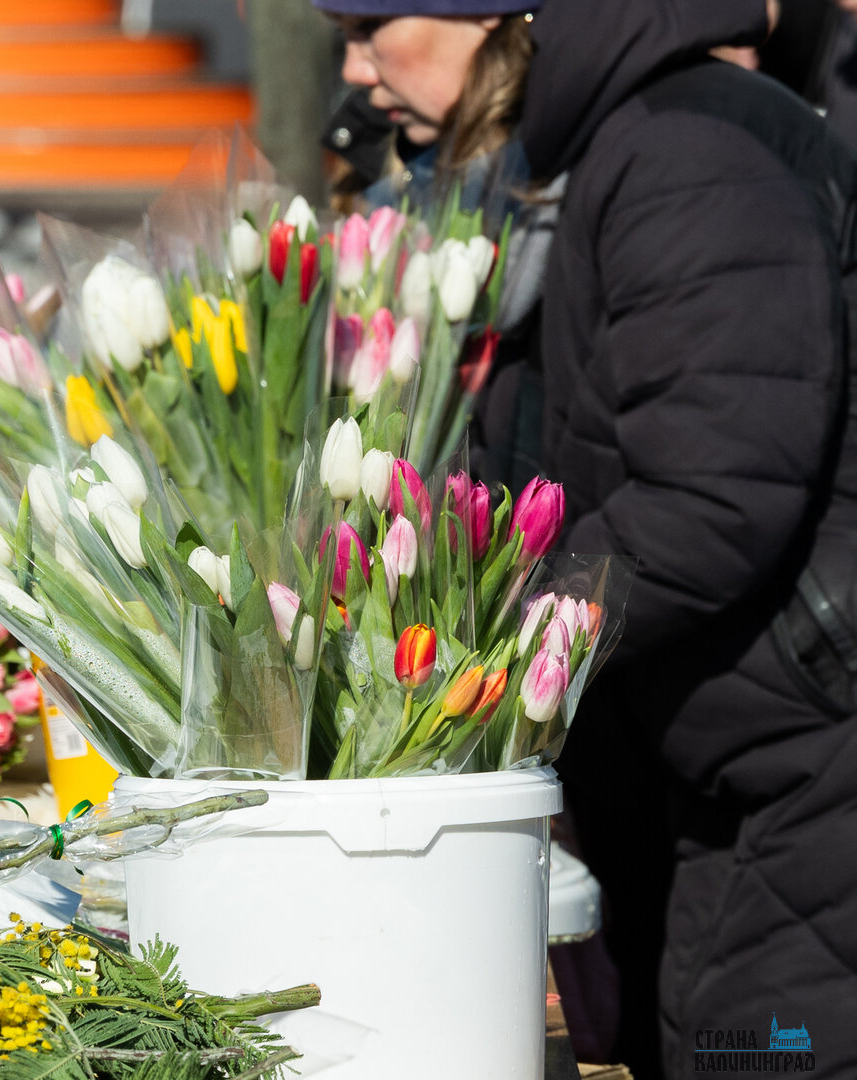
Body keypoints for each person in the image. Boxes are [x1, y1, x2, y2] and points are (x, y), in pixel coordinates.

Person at [312, 0, 857, 1077]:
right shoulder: (618, 146)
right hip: (729, 750)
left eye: (374, 25)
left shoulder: (687, 153)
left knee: (765, 1054)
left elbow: (714, 496)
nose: (358, 69)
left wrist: (477, 638)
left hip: (806, 750)